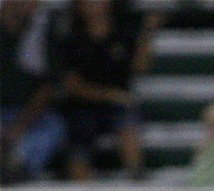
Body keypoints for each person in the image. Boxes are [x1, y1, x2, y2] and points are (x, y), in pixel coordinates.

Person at [57, 0, 158, 180]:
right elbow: (72, 86)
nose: (94, 5)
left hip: (118, 105)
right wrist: (111, 95)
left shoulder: (123, 32)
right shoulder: (71, 37)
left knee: (128, 119)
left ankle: (136, 177)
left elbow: (139, 68)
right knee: (78, 134)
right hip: (82, 105)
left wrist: (148, 32)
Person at [0, 0, 67, 182]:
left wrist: (18, 128)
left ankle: (17, 169)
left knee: (54, 127)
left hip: (28, 114)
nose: (33, 4)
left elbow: (48, 87)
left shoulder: (43, 31)